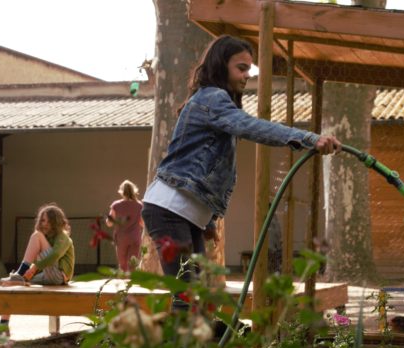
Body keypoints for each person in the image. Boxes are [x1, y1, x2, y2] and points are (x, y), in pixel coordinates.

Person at [141, 35, 341, 311]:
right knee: (186, 298)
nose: (248, 75)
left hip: (184, 213)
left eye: (250, 68)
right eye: (242, 68)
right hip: (170, 209)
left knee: (194, 296)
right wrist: (309, 138)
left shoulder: (211, 100)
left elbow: (200, 164)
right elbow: (254, 127)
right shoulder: (213, 97)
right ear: (221, 66)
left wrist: (208, 221)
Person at [0, 202, 75, 332]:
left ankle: (20, 273)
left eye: (47, 221)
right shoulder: (46, 237)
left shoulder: (63, 237)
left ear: (55, 221)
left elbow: (55, 255)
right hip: (47, 275)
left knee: (36, 235)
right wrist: (32, 272)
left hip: (59, 276)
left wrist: (33, 268)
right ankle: (3, 325)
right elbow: (44, 262)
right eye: (42, 220)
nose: (44, 224)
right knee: (11, 284)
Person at [106, 179, 144, 272]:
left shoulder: (116, 205)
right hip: (135, 237)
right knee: (133, 265)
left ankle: (124, 284)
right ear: (134, 190)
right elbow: (142, 223)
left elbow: (109, 223)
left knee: (123, 265)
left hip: (121, 238)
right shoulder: (139, 205)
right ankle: (132, 283)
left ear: (122, 191)